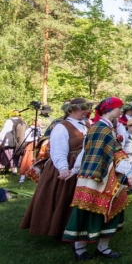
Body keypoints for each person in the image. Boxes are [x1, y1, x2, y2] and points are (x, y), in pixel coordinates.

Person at [63, 97, 132, 260]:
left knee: (111, 208)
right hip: (94, 177)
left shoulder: (103, 127)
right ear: (110, 109)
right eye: (119, 108)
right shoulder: (101, 129)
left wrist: (76, 169)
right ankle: (80, 248)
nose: (121, 111)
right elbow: (115, 151)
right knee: (87, 209)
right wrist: (130, 172)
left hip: (104, 175)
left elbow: (87, 150)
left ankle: (102, 247)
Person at [20, 98, 93, 237]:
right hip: (66, 166)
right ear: (72, 110)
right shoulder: (62, 127)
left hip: (83, 166)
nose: (86, 111)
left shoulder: (86, 124)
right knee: (63, 198)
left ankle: (79, 228)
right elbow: (58, 150)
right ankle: (60, 229)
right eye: (83, 108)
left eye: (87, 108)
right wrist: (63, 168)